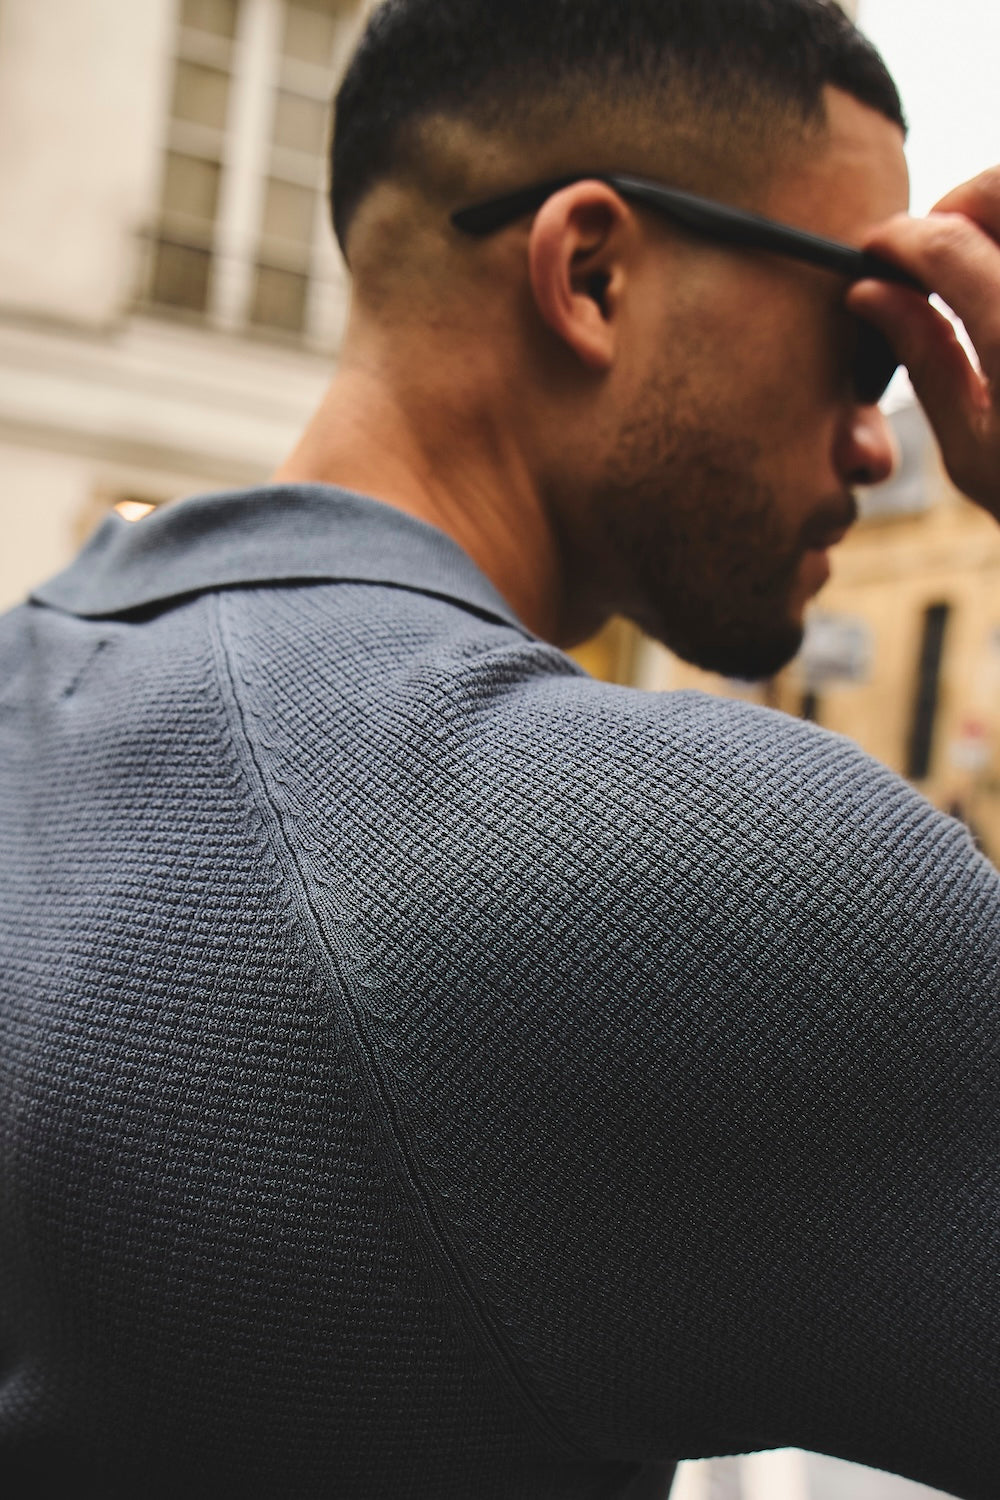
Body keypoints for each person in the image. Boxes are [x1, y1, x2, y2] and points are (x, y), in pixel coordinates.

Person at [1, 1, 999, 1497]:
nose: (883, 439)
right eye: (862, 347)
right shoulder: (678, 872)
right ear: (589, 274)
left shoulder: (41, 681)